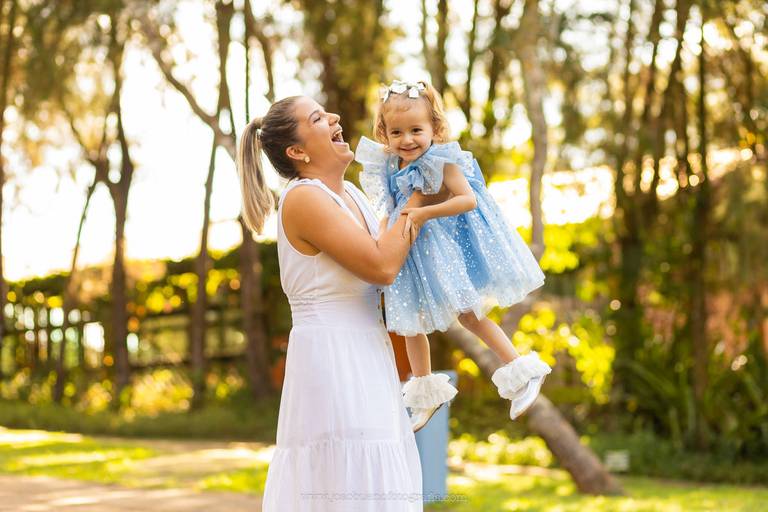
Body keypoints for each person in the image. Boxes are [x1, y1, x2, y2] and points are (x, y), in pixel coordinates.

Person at [237, 95, 427, 511]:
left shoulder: (354, 196)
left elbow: (394, 253)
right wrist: (420, 193)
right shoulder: (304, 198)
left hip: (368, 351)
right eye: (318, 118)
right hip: (332, 355)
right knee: (345, 474)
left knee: (377, 475)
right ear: (297, 151)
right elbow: (381, 266)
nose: (335, 118)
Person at [355, 80, 551, 432]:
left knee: (470, 316)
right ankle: (425, 393)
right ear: (384, 132)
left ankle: (521, 373)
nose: (408, 139)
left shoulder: (441, 160)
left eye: (417, 130)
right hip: (410, 254)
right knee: (408, 323)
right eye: (397, 131)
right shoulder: (388, 165)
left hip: (440, 250)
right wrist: (381, 238)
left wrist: (423, 213)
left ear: (435, 128)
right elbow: (388, 207)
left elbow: (467, 199)